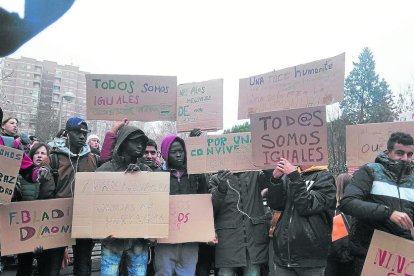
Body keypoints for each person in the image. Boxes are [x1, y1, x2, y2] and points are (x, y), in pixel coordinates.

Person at [339, 132, 414, 276]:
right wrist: (388, 213)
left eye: (409, 154)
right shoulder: (370, 171)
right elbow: (348, 203)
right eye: (400, 153)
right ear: (388, 152)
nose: (405, 158)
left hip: (401, 257)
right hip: (368, 253)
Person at [37, 117, 99, 276]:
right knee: (53, 267)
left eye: (85, 133)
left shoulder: (92, 158)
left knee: (83, 267)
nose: (82, 137)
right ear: (67, 133)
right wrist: (43, 176)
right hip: (59, 221)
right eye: (77, 132)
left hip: (84, 220)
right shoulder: (53, 158)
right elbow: (44, 196)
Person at [97, 125, 151, 275]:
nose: (140, 145)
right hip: (112, 239)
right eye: (135, 141)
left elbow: (154, 203)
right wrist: (99, 231)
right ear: (123, 142)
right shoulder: (105, 171)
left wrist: (141, 179)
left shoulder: (147, 172)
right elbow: (92, 204)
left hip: (138, 239)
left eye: (142, 142)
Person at [267, 158, 336, 276]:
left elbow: (307, 206)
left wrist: (294, 177)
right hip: (284, 257)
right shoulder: (288, 176)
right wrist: (276, 180)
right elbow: (275, 204)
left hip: (311, 258)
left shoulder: (325, 177)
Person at [154, 133, 208, 276]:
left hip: (189, 240)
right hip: (165, 240)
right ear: (165, 154)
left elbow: (205, 204)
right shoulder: (157, 176)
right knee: (163, 272)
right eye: (173, 152)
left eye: (181, 151)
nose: (178, 155)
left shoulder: (196, 176)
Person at [209, 169, 272, 276]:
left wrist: (266, 166)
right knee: (226, 273)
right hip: (228, 240)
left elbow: (271, 182)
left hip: (253, 241)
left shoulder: (256, 174)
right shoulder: (216, 178)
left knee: (253, 272)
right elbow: (211, 207)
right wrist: (221, 186)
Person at [15, 142, 51, 276]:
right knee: (24, 265)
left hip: (45, 229)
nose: (39, 156)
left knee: (44, 265)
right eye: (36, 153)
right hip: (24, 228)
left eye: (43, 153)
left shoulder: (52, 175)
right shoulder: (21, 176)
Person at [324, 173, 353, 276]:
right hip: (353, 258)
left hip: (336, 260)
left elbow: (339, 240)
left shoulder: (336, 210)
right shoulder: (356, 208)